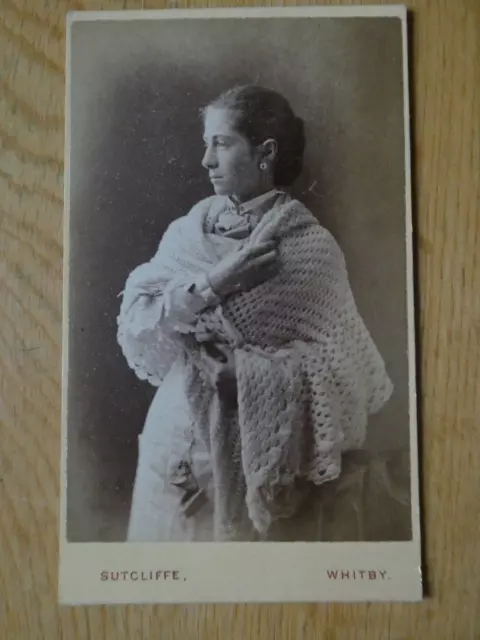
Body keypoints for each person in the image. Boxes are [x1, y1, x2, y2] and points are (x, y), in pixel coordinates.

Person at [117, 85, 395, 542]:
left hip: (247, 454)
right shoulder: (189, 231)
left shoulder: (311, 249)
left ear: (265, 152)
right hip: (169, 437)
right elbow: (140, 316)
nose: (206, 160)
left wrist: (245, 377)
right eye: (206, 143)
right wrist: (215, 283)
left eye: (222, 144)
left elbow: (341, 370)